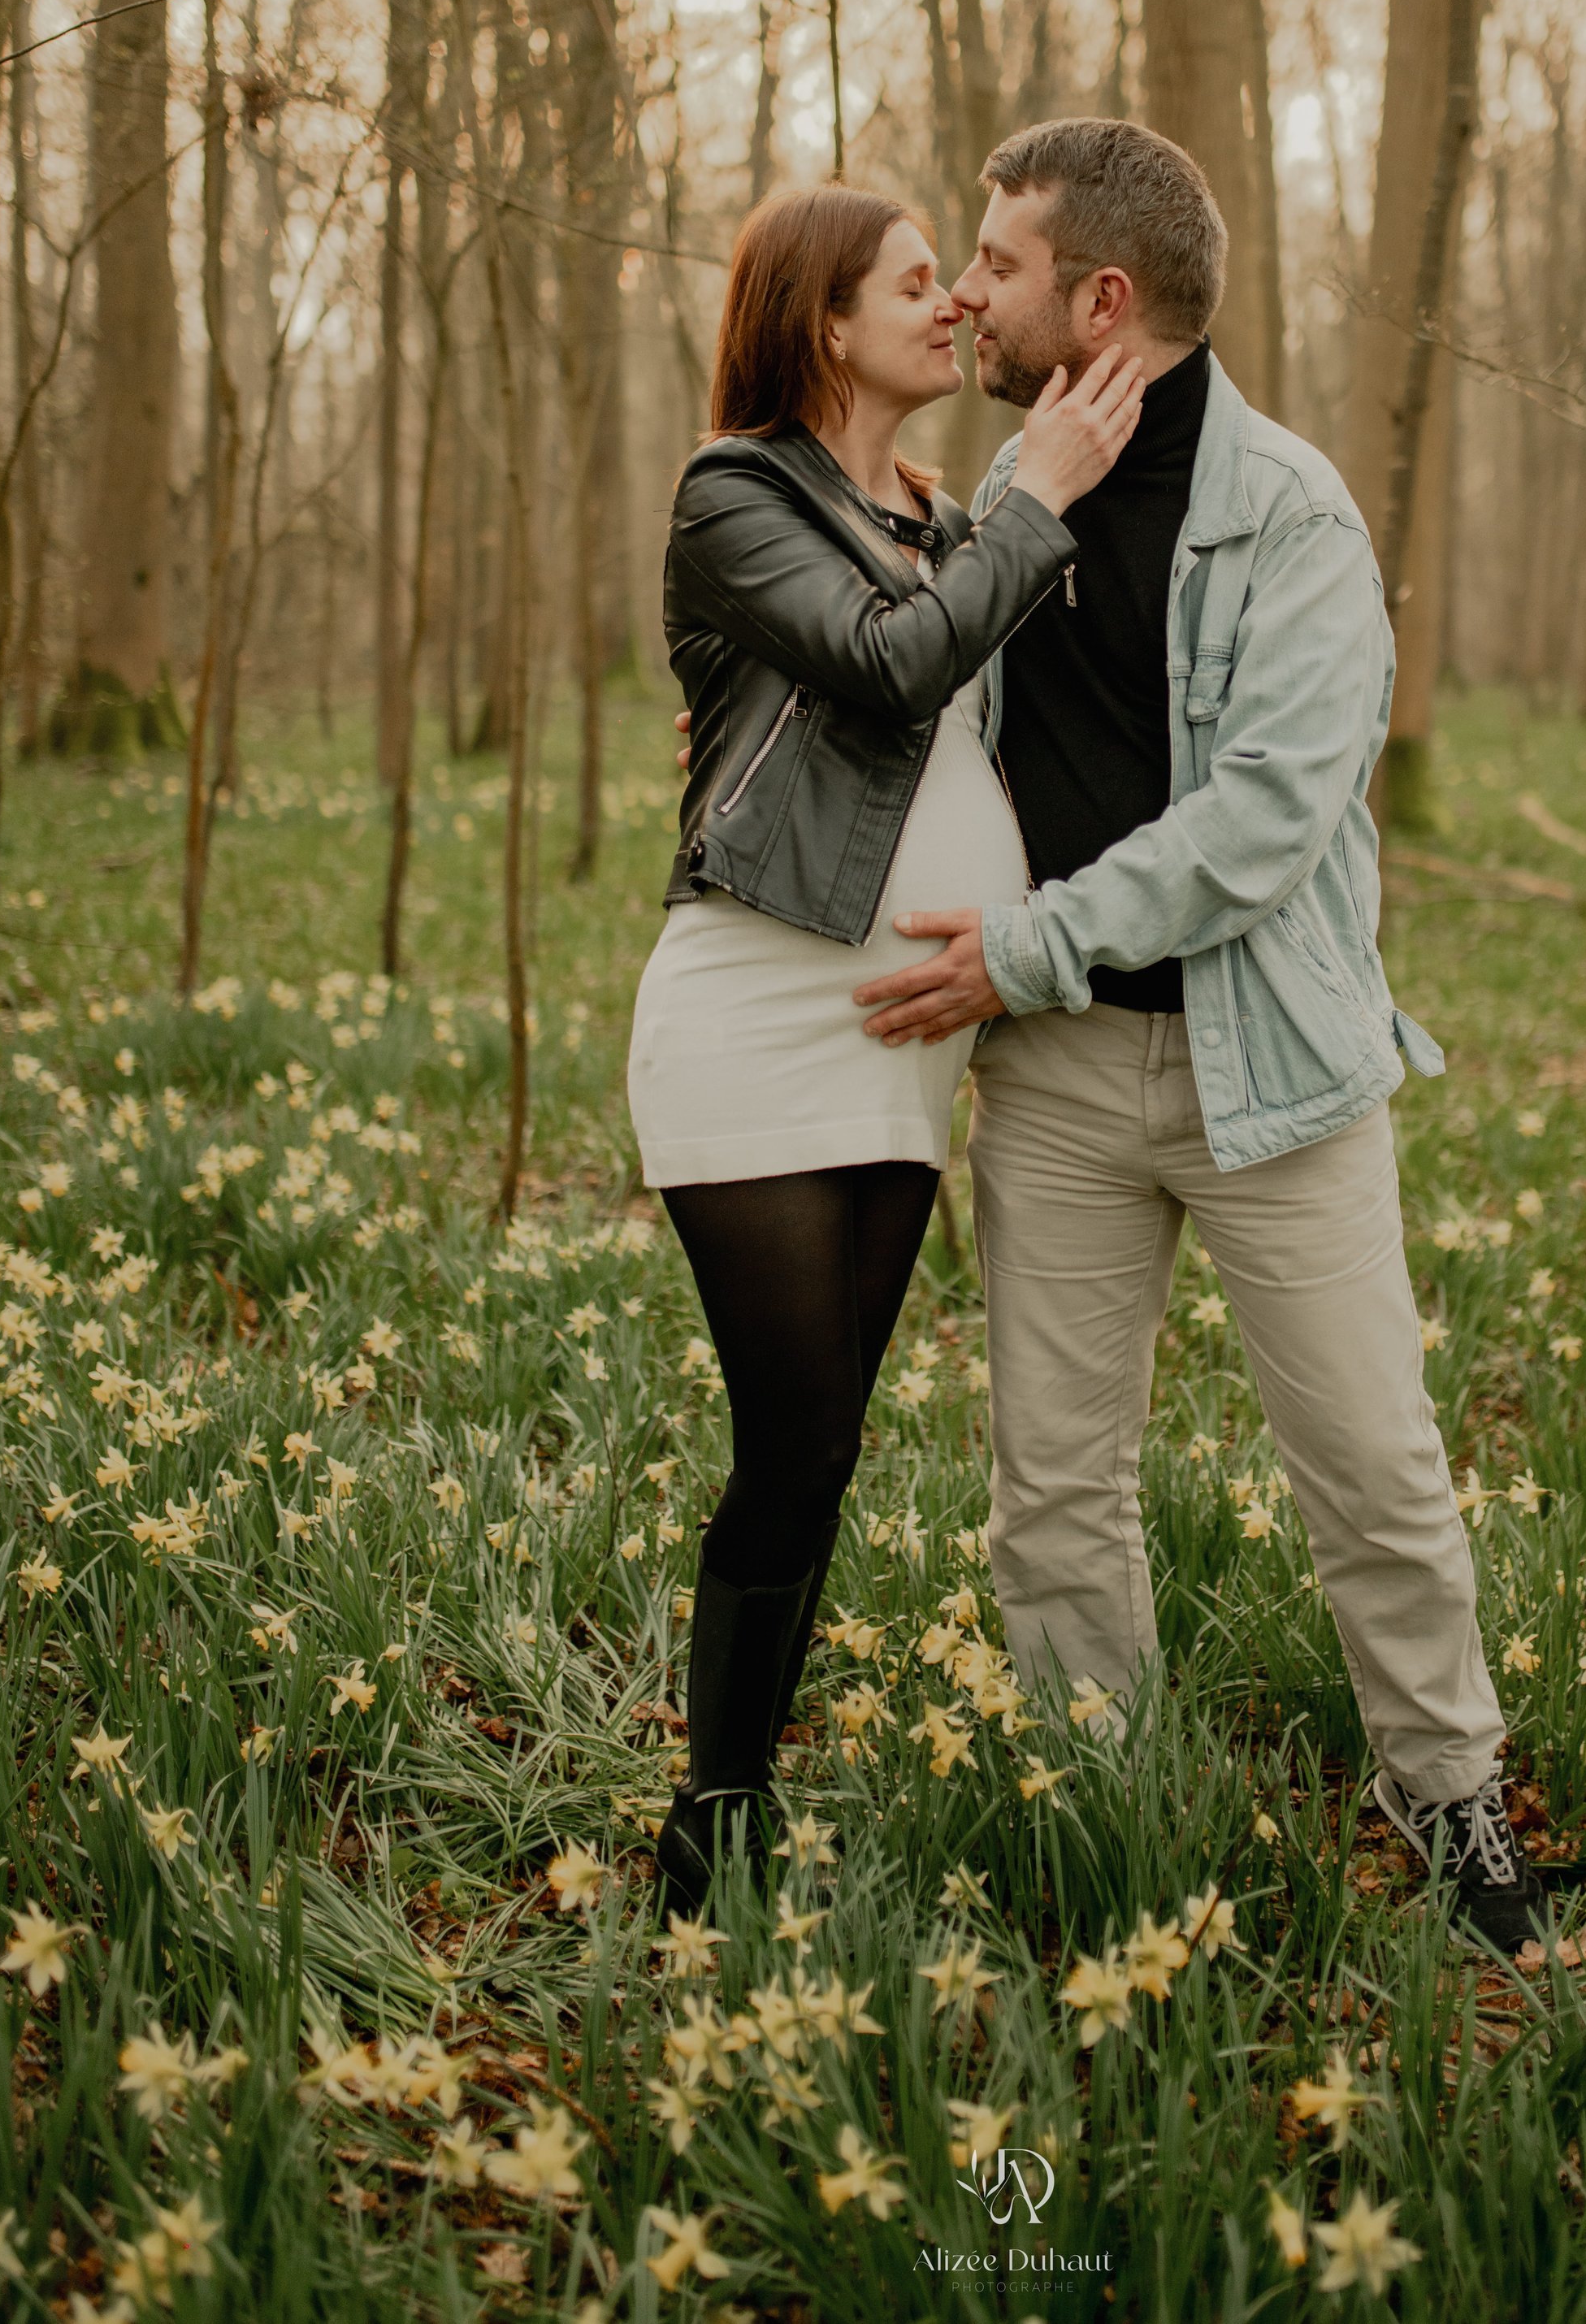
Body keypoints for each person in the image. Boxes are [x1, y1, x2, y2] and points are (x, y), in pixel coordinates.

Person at [850, 117, 1548, 1957]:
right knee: (1052, 1492)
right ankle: (1109, 1811)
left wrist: (1027, 948)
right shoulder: (1003, 498)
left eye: (996, 263)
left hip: (1275, 1079)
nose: (966, 291)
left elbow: (1258, 827)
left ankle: (1454, 1798)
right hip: (1060, 1081)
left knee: (1372, 1468)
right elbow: (908, 710)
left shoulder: (1291, 516)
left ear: (1097, 297)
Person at [627, 181, 1142, 1912]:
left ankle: (740, 1795)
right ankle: (706, 1833)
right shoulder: (735, 491)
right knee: (785, 1440)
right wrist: (1038, 500)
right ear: (821, 322)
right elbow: (885, 667)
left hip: (905, 1035)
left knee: (831, 1440)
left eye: (951, 281)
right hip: (753, 1016)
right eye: (914, 286)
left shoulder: (936, 511)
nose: (949, 309)